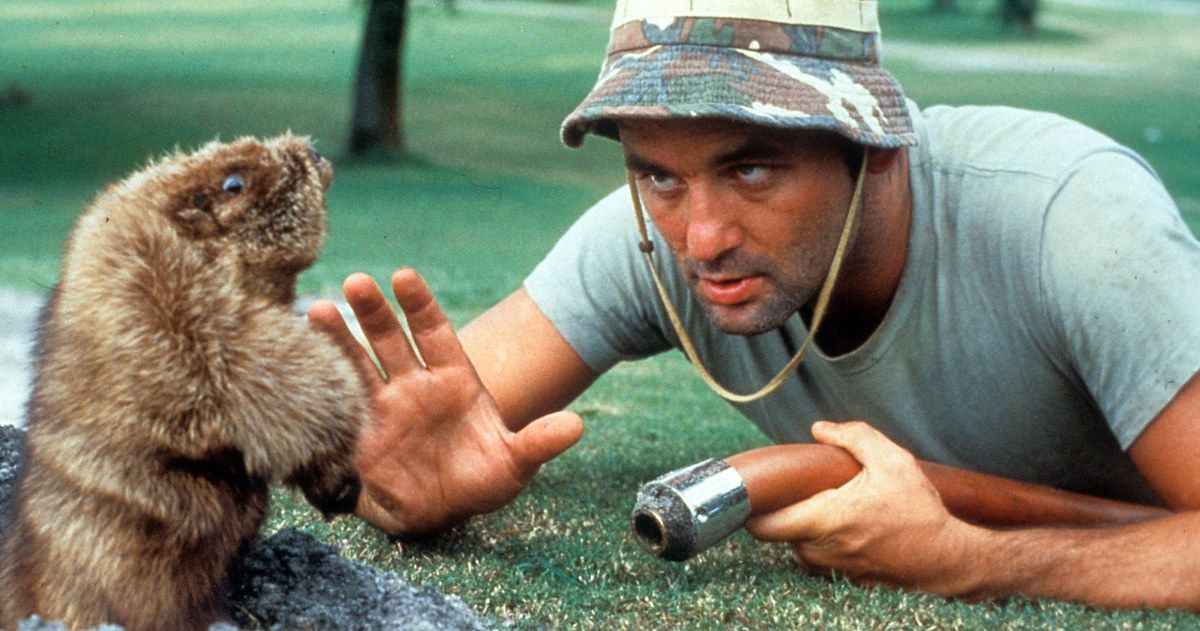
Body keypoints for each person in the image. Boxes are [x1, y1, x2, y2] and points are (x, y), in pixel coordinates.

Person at [308, 0, 1200, 611]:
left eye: (752, 168)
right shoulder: (651, 235)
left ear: (877, 144)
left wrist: (978, 563)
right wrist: (391, 486)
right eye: (656, 172)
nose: (701, 237)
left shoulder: (1070, 222)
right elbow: (435, 428)